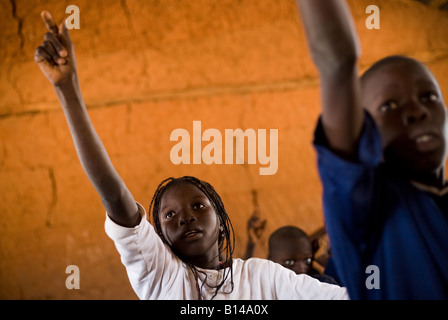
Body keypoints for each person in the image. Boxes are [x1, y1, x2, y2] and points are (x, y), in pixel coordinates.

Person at [34, 11, 349, 300]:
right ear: (159, 237)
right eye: (169, 216)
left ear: (222, 223)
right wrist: (67, 89)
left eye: (199, 206)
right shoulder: (161, 276)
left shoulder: (262, 277)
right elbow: (113, 194)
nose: (185, 217)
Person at [296, 0, 448, 299]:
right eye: (389, 105)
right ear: (363, 134)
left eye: (429, 96)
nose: (416, 111)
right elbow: (338, 62)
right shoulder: (366, 208)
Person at [243, 211, 337, 284]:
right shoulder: (269, 287)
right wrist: (251, 244)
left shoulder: (320, 284)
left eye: (307, 260)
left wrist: (326, 261)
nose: (301, 268)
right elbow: (245, 282)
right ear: (270, 261)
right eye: (289, 262)